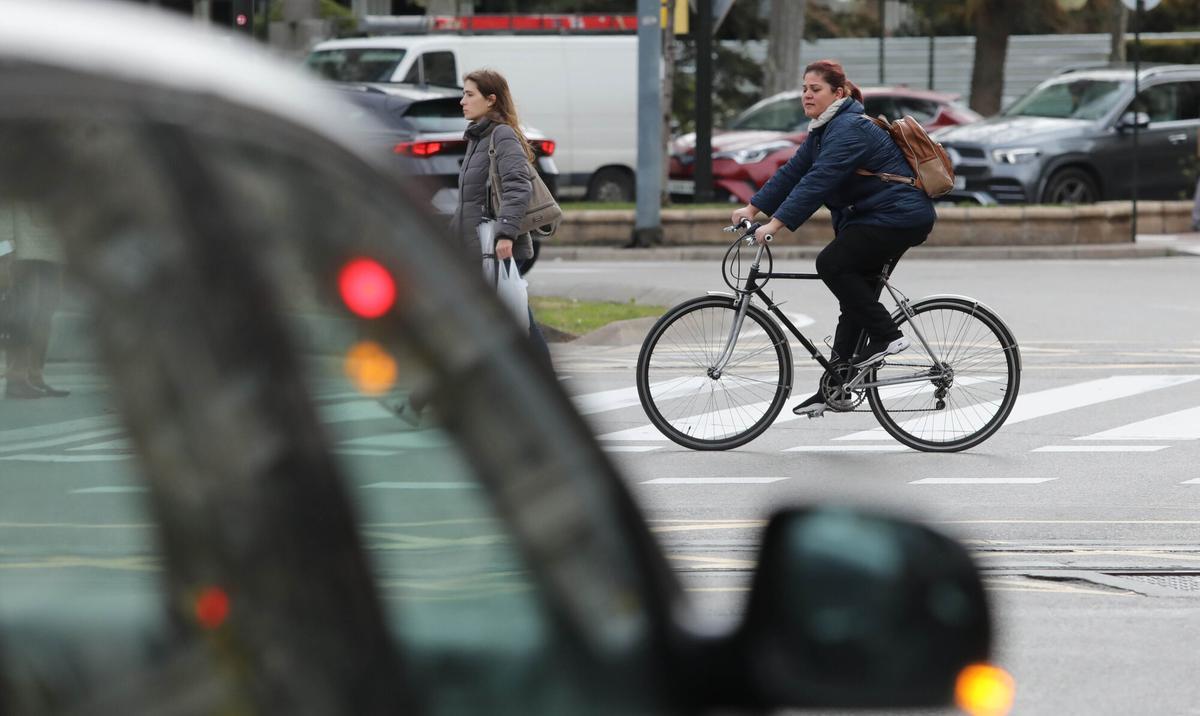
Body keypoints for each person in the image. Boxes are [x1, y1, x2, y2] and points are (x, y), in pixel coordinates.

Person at [731, 59, 936, 418]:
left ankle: (889, 336)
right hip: (878, 218)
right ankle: (837, 386)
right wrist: (752, 208)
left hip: (896, 218)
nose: (807, 95)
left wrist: (774, 225)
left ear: (838, 93)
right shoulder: (824, 131)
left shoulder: (849, 129)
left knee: (831, 264)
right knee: (854, 303)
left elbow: (818, 181)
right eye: (804, 88)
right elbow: (793, 172)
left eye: (816, 89)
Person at [394, 68, 550, 427]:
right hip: (475, 251)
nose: (462, 101)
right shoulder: (479, 138)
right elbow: (469, 203)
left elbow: (517, 189)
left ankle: (421, 400)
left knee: (480, 328)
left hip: (495, 250)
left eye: (469, 94)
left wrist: (507, 235)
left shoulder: (502, 137)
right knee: (506, 328)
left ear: (490, 99)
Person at [1, 202, 69, 399]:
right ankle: (16, 378)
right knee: (21, 313)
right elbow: (4, 204)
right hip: (21, 252)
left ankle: (35, 376)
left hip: (53, 252)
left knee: (45, 315)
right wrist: (3, 249)